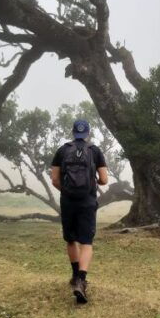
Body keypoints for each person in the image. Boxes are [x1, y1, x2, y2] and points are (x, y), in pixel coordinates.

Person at [50, 119, 108, 304]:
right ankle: (81, 281)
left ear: (73, 132)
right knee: (86, 241)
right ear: (88, 133)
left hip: (68, 201)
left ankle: (75, 276)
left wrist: (67, 191)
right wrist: (93, 182)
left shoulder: (62, 150)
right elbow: (105, 180)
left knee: (71, 239)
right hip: (88, 201)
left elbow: (55, 180)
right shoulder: (95, 151)